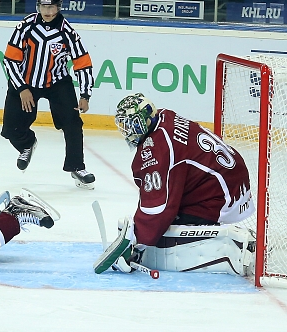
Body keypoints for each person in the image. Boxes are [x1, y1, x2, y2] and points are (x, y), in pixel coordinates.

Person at [94, 93, 255, 277]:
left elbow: (160, 209)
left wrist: (137, 244)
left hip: (223, 194)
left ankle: (234, 245)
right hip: (231, 176)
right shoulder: (164, 116)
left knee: (163, 232)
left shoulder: (159, 151)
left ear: (143, 122)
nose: (127, 131)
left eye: (130, 125)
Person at [0, 0, 95, 189]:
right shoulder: (25, 26)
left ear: (59, 7)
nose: (47, 11)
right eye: (43, 6)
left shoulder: (68, 32)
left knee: (72, 124)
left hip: (57, 83)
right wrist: (22, 88)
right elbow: (10, 60)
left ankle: (76, 166)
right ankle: (26, 144)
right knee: (10, 128)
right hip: (25, 82)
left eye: (51, 7)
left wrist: (85, 93)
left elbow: (83, 63)